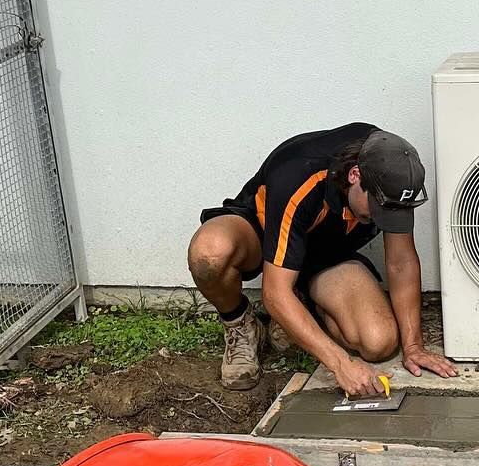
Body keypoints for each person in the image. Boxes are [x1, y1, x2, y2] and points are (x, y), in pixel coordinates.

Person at [187, 123, 458, 395]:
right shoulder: (299, 175)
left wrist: (413, 347)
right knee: (210, 253)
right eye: (376, 210)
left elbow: (401, 263)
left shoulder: (393, 173)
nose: (379, 220)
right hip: (262, 235)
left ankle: (301, 307)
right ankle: (240, 324)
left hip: (325, 254)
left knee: (379, 342)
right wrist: (340, 363)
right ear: (355, 175)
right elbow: (274, 293)